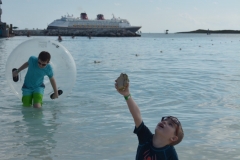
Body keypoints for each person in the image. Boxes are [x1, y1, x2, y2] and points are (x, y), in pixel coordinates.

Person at [115, 79, 184, 160]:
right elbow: (137, 116)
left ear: (173, 138)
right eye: (164, 120)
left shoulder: (170, 154)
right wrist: (127, 94)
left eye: (170, 124)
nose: (164, 122)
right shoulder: (145, 137)